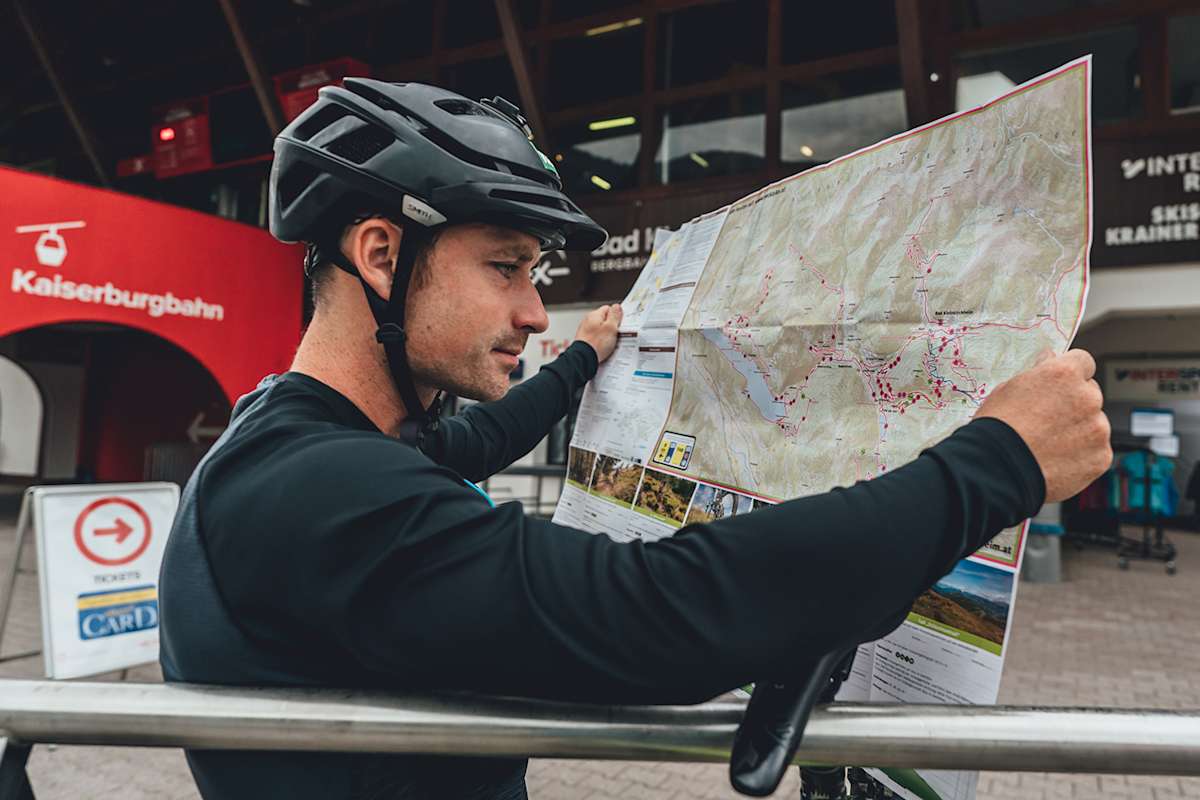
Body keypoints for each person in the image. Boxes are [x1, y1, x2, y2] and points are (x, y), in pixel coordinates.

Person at [158, 80, 1112, 800]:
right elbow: (659, 611)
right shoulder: (316, 490)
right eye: (505, 267)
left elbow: (485, 438)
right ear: (380, 253)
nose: (534, 310)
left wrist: (583, 359)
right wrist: (1001, 459)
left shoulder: (295, 436)